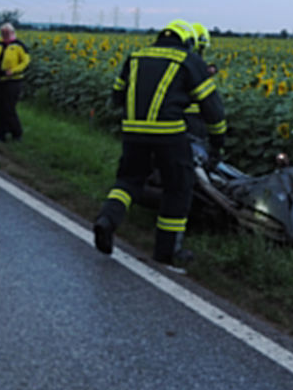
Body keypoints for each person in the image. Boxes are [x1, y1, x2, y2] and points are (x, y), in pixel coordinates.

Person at [93, 19, 227, 269]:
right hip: (170, 133)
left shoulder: (136, 57)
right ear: (187, 41)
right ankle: (166, 252)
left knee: (128, 181)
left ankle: (107, 220)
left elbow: (117, 95)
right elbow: (212, 108)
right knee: (179, 187)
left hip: (133, 132)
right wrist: (218, 141)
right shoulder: (188, 60)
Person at [0, 23, 30, 142]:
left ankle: (17, 133)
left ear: (12, 32)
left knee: (9, 108)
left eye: (6, 33)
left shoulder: (19, 46)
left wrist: (14, 71)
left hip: (13, 81)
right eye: (2, 33)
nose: (4, 35)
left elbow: (25, 62)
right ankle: (1, 134)